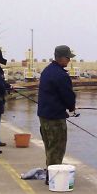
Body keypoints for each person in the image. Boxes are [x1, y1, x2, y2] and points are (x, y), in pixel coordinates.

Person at [37, 45, 76, 184]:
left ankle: (50, 172)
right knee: (57, 148)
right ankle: (52, 179)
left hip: (44, 116)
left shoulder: (47, 71)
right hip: (55, 118)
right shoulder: (61, 75)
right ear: (61, 58)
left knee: (49, 146)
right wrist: (71, 107)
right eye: (68, 58)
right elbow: (68, 96)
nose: (69, 60)